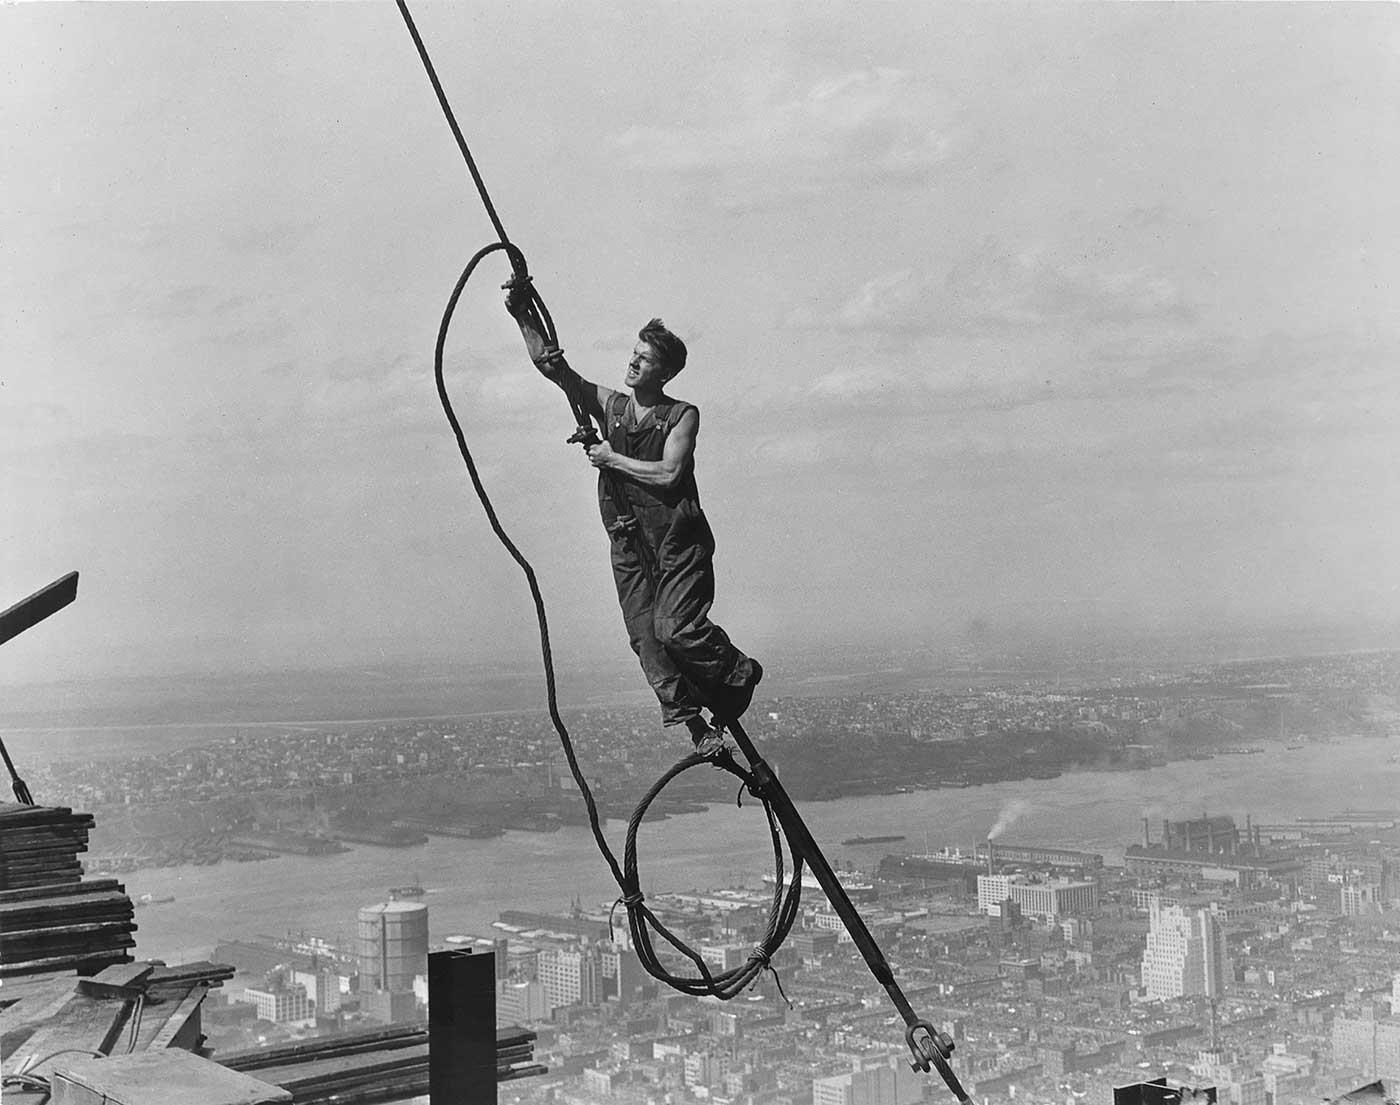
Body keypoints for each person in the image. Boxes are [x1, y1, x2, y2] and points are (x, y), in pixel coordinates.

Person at [506, 279, 762, 754]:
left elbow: (668, 474)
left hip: (676, 543)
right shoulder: (614, 408)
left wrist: (610, 460)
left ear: (663, 371)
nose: (632, 361)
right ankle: (697, 731)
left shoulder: (680, 415)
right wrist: (522, 314)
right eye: (634, 352)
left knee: (676, 630)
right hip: (627, 539)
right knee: (647, 639)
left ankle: (738, 674)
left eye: (644, 358)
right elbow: (557, 372)